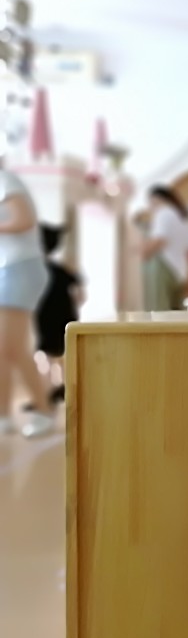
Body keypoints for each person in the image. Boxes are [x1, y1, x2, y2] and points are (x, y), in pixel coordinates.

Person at [0, 162, 55, 437]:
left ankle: (43, 411)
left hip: (21, 268)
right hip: (11, 269)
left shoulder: (5, 180)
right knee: (6, 348)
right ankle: (3, 417)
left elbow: (24, 220)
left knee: (10, 347)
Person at [35, 223, 84, 403]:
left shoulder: (33, 271)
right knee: (60, 355)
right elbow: (80, 295)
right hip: (65, 319)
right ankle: (62, 388)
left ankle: (47, 393)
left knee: (46, 357)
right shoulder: (63, 271)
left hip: (43, 319)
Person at [140, 185, 188, 311]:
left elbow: (159, 240)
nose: (149, 206)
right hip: (181, 269)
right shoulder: (182, 217)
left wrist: (142, 255)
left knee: (159, 312)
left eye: (149, 201)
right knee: (177, 312)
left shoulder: (163, 213)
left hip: (164, 267)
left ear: (156, 199)